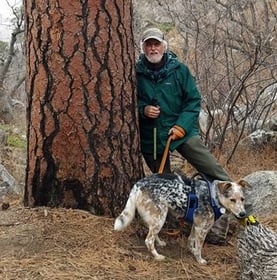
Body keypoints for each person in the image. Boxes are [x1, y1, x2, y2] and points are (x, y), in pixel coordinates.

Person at [136, 27, 231, 182]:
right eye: (149, 44)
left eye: (156, 44)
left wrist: (181, 126)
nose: (153, 48)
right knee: (163, 184)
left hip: (182, 131)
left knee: (213, 169)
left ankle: (236, 198)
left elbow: (193, 101)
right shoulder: (134, 72)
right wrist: (143, 110)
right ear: (143, 47)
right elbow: (127, 104)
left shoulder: (180, 70)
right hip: (152, 136)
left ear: (164, 46)